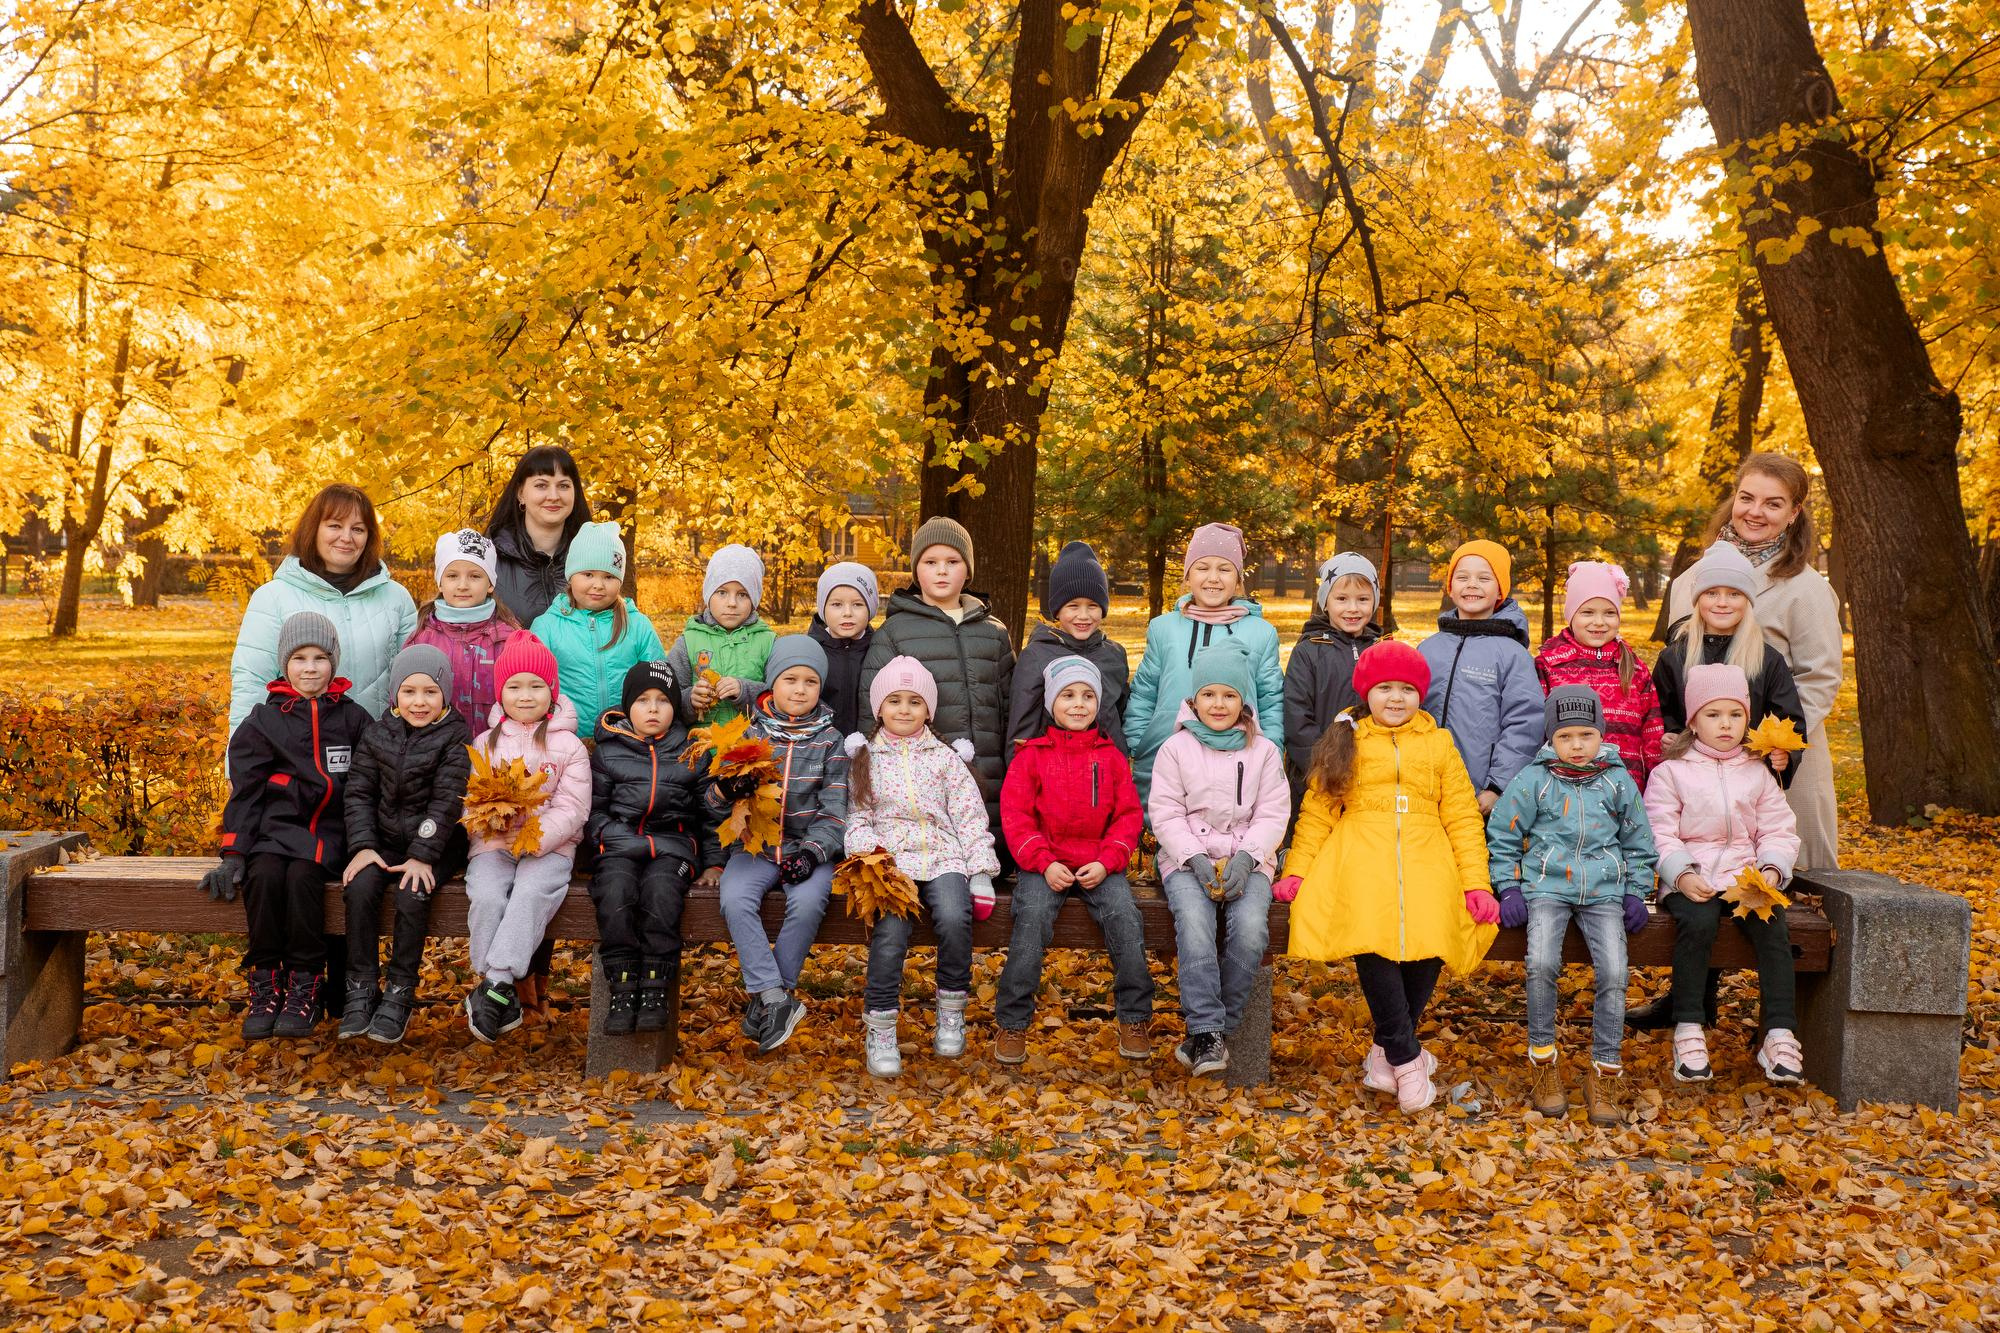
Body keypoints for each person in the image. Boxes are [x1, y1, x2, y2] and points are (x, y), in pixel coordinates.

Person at [1277, 641, 1498, 1113]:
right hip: (1360, 856)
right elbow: (1317, 813)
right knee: (1372, 937)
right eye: (1384, 688)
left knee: (1436, 933)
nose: (1395, 698)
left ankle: (1385, 1054)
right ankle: (1407, 1057)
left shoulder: (1439, 744)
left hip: (1427, 855)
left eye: (1406, 689)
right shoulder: (1347, 740)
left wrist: (1476, 882)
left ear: (1421, 695)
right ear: (1366, 693)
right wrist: (1297, 870)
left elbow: (1461, 816)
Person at [1630, 541, 1810, 1033]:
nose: (1723, 602)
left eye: (1735, 594)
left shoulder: (1766, 659)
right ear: (1697, 599)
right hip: (1692, 785)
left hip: (1746, 785)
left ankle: (1765, 1021)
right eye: (1713, 593)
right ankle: (1691, 1003)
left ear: (1748, 602)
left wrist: (1781, 754)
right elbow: (1660, 709)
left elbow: (1789, 720)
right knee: (1699, 896)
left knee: (1740, 884)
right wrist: (1667, 738)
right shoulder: (1674, 655)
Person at [1487, 686, 1658, 1125]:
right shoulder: (1534, 780)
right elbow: (1504, 834)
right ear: (1551, 739)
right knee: (1542, 963)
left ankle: (1603, 1073)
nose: (1577, 746)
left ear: (1601, 733)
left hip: (1604, 891)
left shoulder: (1618, 781)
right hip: (1547, 886)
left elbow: (1639, 841)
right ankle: (1544, 1064)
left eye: (1586, 735)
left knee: (1616, 972)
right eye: (1565, 737)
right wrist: (1508, 887)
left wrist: (1636, 891)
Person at [1667, 452, 1842, 872]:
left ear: (1795, 511)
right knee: (1706, 872)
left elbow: (1819, 679)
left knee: (1794, 879)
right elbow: (1677, 669)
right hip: (1700, 758)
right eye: (1748, 498)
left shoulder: (1805, 588)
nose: (1756, 512)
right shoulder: (1690, 579)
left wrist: (1765, 742)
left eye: (1774, 503)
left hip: (1782, 760)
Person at [207, 613, 371, 1039]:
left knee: (301, 879)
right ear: (285, 664)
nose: (310, 668)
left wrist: (369, 842)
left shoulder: (353, 719)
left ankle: (305, 983)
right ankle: (265, 980)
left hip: (330, 839)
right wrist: (234, 853)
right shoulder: (265, 719)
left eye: (320, 657)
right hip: (273, 834)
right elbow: (246, 792)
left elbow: (369, 784)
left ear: (334, 663)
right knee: (262, 877)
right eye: (299, 658)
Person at [1643, 663, 1805, 1086]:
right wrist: (1679, 874)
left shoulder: (1757, 772)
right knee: (1696, 924)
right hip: (1691, 876)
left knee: (1772, 928)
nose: (1726, 724)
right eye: (1713, 715)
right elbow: (1659, 831)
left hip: (1745, 876)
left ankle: (1779, 1033)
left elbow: (1777, 828)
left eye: (1735, 715)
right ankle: (1689, 1028)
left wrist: (1771, 868)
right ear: (1693, 721)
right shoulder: (1671, 772)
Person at [843, 656, 999, 1077]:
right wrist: (867, 852)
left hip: (943, 854)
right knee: (891, 936)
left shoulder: (945, 758)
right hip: (891, 862)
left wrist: (979, 868)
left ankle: (950, 1010)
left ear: (928, 709)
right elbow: (857, 817)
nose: (904, 710)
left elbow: (968, 815)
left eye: (914, 701)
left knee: (952, 916)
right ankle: (880, 1025)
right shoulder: (867, 758)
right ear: (880, 709)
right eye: (894, 700)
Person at [995, 655, 1154, 1065]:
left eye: (1087, 695)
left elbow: (1128, 816)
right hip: (1044, 866)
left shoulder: (1111, 756)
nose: (1079, 704)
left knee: (1125, 918)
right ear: (1051, 703)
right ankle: (1013, 1023)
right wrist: (1043, 861)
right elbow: (1016, 816)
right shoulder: (1032, 755)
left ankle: (1135, 1018)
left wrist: (1109, 859)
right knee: (1029, 922)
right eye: (1068, 695)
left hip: (1099, 864)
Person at [1148, 642, 1290, 1079]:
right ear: (1193, 700)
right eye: (1209, 694)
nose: (1219, 704)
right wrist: (1192, 857)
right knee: (1195, 922)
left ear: (1243, 701)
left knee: (1249, 930)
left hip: (1250, 858)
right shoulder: (1175, 749)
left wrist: (1249, 856)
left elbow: (1273, 812)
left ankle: (1213, 1031)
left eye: (1229, 695)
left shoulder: (1264, 751)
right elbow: (1166, 812)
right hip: (1187, 858)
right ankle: (1207, 1027)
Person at [860, 518, 1014, 907]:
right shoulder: (895, 632)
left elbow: (1010, 705)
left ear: (968, 570)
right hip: (921, 794)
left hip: (988, 780)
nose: (942, 570)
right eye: (930, 562)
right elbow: (873, 710)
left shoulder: (993, 632)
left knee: (981, 879)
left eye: (952, 561)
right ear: (916, 570)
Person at [711, 636, 849, 1055]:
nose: (800, 689)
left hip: (808, 852)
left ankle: (772, 997)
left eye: (810, 681)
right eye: (790, 679)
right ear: (773, 683)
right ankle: (775, 997)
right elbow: (711, 801)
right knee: (734, 898)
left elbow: (836, 809)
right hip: (755, 846)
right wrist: (726, 790)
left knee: (807, 903)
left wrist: (813, 852)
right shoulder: (749, 735)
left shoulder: (832, 742)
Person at [338, 645, 472, 1044]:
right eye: (409, 691)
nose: (419, 701)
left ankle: (399, 991)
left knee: (413, 894)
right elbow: (359, 793)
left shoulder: (455, 737)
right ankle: (360, 988)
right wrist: (363, 846)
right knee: (359, 888)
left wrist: (421, 855)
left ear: (445, 695)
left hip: (437, 845)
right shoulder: (377, 733)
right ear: (395, 694)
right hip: (382, 842)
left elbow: (447, 801)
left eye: (430, 692)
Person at [462, 633, 592, 1043]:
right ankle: (496, 986)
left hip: (549, 849)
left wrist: (535, 838)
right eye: (514, 686)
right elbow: (472, 800)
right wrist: (489, 822)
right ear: (500, 693)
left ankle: (495, 984)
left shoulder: (568, 745)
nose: (525, 695)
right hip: (494, 845)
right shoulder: (486, 743)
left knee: (531, 893)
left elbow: (573, 807)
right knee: (486, 894)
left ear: (552, 692)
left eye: (536, 686)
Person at [586, 661, 723, 1036]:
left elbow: (709, 814)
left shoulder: (691, 751)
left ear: (675, 708)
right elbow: (594, 812)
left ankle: (655, 984)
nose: (652, 708)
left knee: (661, 893)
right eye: (643, 700)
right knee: (615, 892)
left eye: (662, 700)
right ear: (628, 706)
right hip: (617, 845)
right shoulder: (608, 752)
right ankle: (623, 985)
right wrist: (614, 839)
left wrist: (714, 864)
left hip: (674, 846)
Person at [228, 484, 417, 737]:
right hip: (299, 758)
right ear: (313, 529)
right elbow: (251, 682)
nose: (347, 537)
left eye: (358, 529)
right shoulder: (273, 597)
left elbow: (416, 680)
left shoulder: (395, 597)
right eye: (335, 525)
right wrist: (239, 765)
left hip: (380, 755)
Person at [1125, 522, 1285, 804]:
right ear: (1188, 576)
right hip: (1167, 757)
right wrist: (1140, 741)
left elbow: (1271, 698)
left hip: (1239, 760)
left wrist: (1270, 747)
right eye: (1202, 568)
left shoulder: (1260, 634)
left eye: (1224, 569)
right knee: (1172, 832)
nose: (1213, 578)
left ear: (1237, 578)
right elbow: (1145, 691)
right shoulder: (1164, 629)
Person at [1417, 539, 1544, 812]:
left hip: (1478, 793)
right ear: (1451, 586)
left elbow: (1524, 723)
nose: (1472, 584)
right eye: (1462, 577)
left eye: (1484, 578)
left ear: (1500, 589)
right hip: (1423, 790)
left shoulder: (1512, 655)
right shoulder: (1428, 649)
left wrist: (1497, 785)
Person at [530, 521, 665, 743]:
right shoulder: (547, 627)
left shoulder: (637, 625)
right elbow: (533, 683)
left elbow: (658, 679)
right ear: (571, 576)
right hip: (566, 740)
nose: (599, 585)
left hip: (628, 738)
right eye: (588, 574)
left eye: (609, 577)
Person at [1535, 561, 1663, 787]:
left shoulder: (1633, 667)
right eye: (1587, 612)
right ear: (1571, 614)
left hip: (1626, 790)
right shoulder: (1549, 665)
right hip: (1565, 789)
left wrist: (1656, 785)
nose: (1599, 622)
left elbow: (1653, 733)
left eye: (1609, 613)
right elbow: (1536, 730)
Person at [1007, 541, 1131, 755]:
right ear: (1056, 609)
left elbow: (1119, 715)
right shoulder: (1036, 656)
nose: (1083, 615)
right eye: (1073, 606)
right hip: (1056, 775)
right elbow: (1021, 732)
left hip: (1105, 773)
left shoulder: (1114, 654)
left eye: (1092, 606)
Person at [1282, 552, 1383, 807]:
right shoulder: (1309, 650)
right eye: (1341, 599)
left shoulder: (1381, 650)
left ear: (1375, 601)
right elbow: (1297, 715)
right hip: (1315, 776)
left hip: (1371, 775)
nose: (1352, 608)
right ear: (1326, 602)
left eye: (1362, 599)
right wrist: (1321, 768)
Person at [405, 528, 520, 729]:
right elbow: (402, 700)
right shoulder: (422, 640)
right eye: (452, 576)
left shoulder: (510, 640)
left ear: (490, 583)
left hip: (496, 752)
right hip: (438, 756)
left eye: (475, 576)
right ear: (440, 582)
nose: (462, 585)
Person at [663, 544, 775, 728]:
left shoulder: (768, 642)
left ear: (754, 600)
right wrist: (690, 700)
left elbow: (779, 697)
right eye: (722, 592)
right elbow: (667, 695)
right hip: (702, 748)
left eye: (743, 594)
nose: (732, 603)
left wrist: (744, 690)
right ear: (708, 595)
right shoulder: (689, 641)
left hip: (751, 747)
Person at [485, 446, 593, 626]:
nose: (553, 496)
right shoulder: (488, 558)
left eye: (564, 486)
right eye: (541, 485)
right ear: (521, 494)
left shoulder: (595, 554)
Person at [809, 561, 879, 737]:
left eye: (857, 604)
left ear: (870, 608)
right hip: (821, 746)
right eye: (836, 604)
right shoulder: (810, 651)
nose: (847, 612)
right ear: (823, 608)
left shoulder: (880, 649)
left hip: (869, 746)